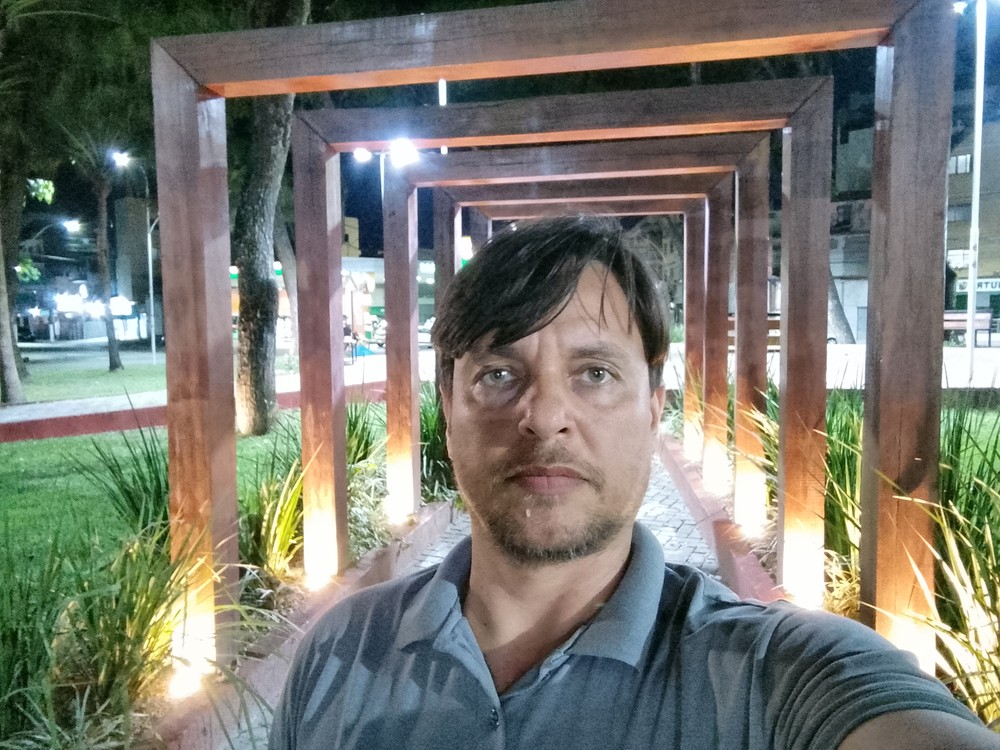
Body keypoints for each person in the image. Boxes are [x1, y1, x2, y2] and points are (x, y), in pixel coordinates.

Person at [270, 216, 999, 749]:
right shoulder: (338, 651)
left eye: (595, 373)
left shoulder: (774, 675)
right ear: (448, 410)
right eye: (497, 374)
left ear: (654, 408)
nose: (544, 416)